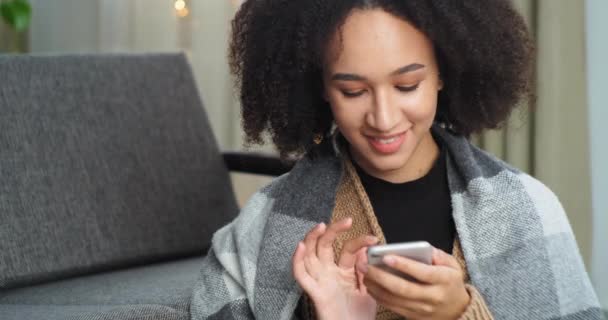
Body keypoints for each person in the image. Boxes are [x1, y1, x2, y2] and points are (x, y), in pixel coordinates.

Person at [190, 1, 604, 319]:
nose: (383, 119)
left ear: (444, 72)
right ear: (319, 88)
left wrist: (460, 312)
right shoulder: (262, 228)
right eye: (353, 91)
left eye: (407, 85)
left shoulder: (528, 210)